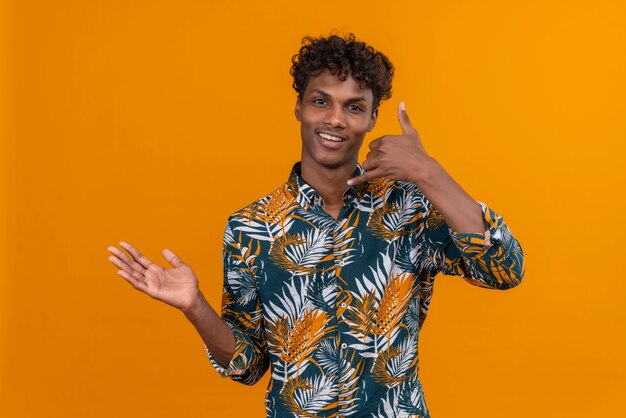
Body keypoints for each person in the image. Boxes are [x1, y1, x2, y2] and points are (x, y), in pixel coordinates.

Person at [107, 33, 524, 417]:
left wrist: (429, 172)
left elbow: (504, 270)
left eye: (354, 106)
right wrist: (195, 308)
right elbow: (248, 367)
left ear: (373, 117)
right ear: (299, 107)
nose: (336, 120)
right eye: (321, 101)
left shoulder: (410, 209)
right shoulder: (251, 228)